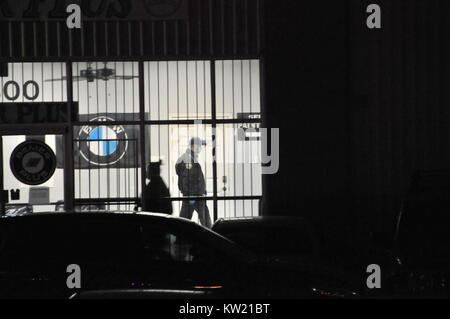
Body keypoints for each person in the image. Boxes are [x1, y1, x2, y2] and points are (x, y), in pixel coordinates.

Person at [175, 137, 212, 228]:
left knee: (184, 219)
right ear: (193, 146)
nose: (200, 148)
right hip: (195, 196)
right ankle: (211, 236)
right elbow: (187, 180)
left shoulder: (190, 158)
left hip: (193, 195)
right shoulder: (189, 160)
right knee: (205, 219)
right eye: (199, 146)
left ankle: (180, 238)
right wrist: (193, 196)